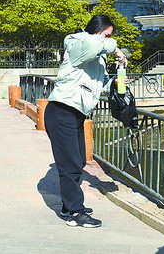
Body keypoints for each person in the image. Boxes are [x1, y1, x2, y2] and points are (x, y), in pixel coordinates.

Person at [45, 14, 127, 228]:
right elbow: (94, 44)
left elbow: (96, 85)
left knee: (79, 159)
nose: (108, 39)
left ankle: (67, 205)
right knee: (70, 164)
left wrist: (114, 83)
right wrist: (115, 48)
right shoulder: (77, 42)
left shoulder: (96, 55)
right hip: (62, 110)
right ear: (97, 30)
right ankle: (75, 213)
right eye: (107, 34)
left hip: (76, 113)